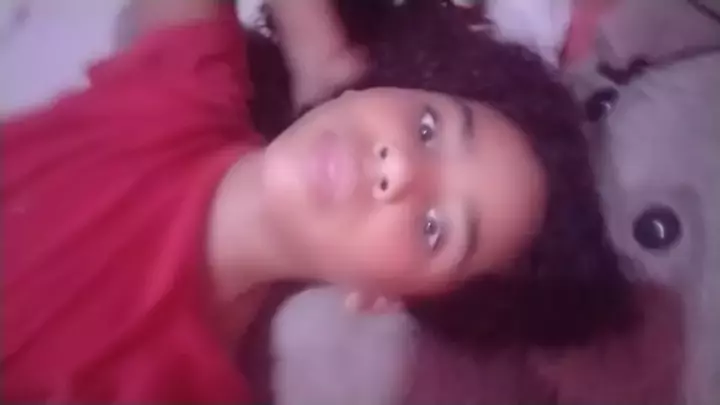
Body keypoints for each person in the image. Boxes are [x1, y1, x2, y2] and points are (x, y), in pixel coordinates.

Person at [1, 0, 635, 403]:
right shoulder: (185, 83)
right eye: (426, 128)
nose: (399, 169)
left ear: (383, 296)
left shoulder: (167, 388)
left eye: (434, 229)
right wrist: (320, 51)